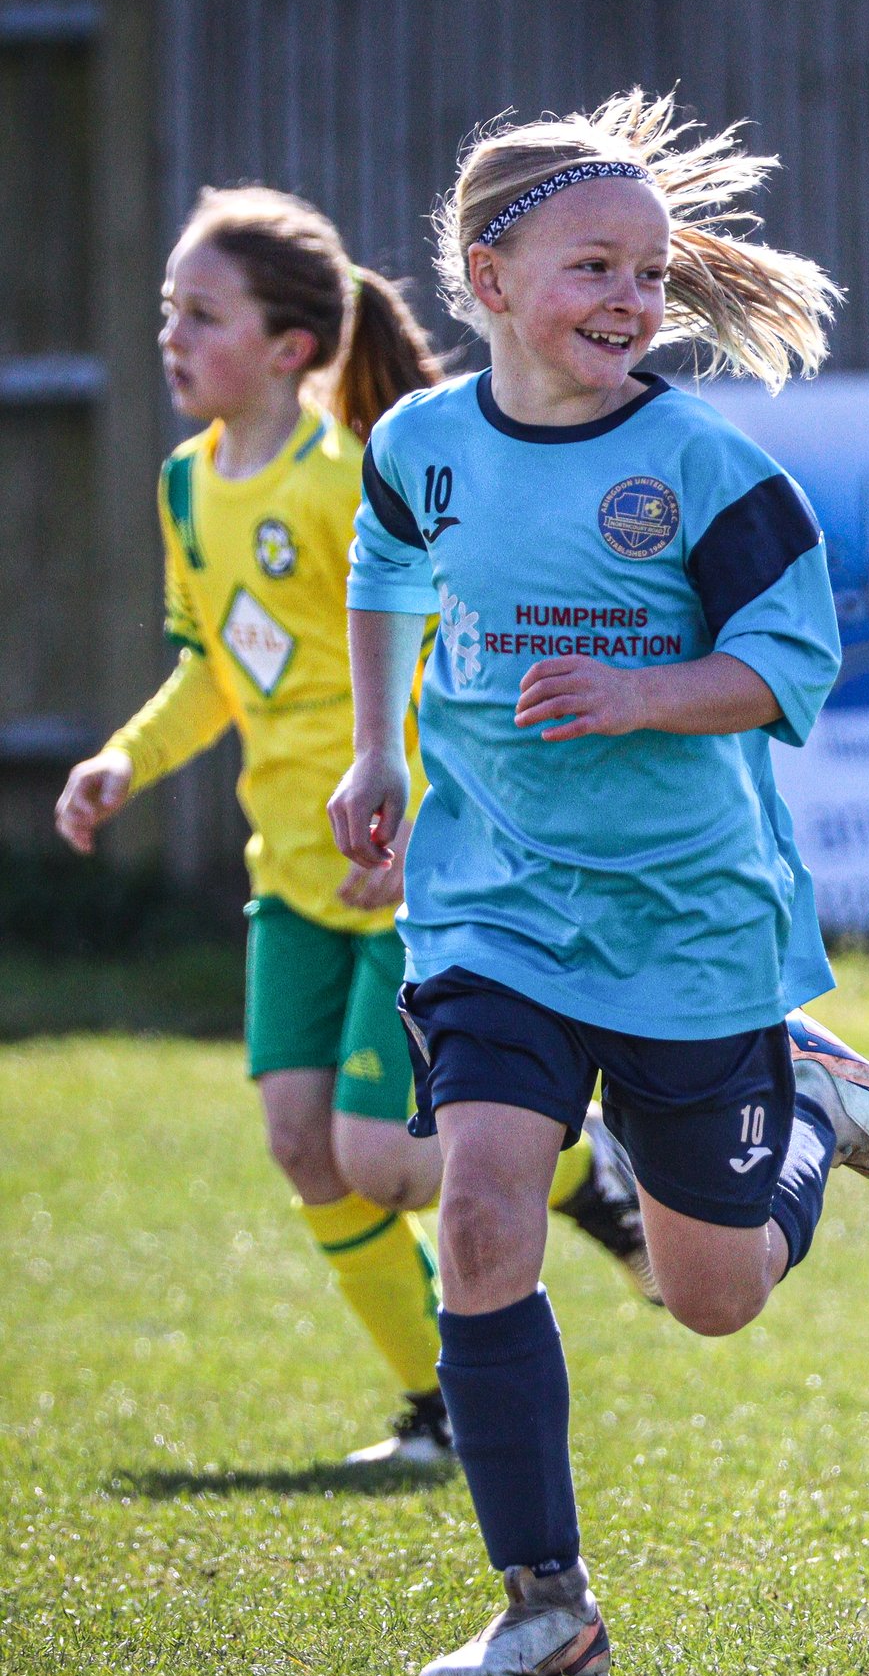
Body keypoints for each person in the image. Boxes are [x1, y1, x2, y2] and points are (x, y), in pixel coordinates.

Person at [333, 90, 869, 1676]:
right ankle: (546, 1604)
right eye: (595, 268)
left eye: (652, 276)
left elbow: (790, 664)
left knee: (715, 1299)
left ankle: (807, 1100)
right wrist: (377, 759)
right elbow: (384, 574)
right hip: (495, 909)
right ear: (486, 277)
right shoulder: (418, 446)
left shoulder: (702, 464)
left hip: (692, 923)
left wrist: (640, 693)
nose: (632, 303)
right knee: (480, 1211)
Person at [53, 186, 655, 1467]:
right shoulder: (181, 488)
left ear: (288, 348)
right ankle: (439, 1408)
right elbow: (217, 668)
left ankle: (572, 1164)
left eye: (200, 315)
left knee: (379, 1154)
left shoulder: (348, 482)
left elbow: (437, 651)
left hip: (399, 870)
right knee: (299, 1145)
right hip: (291, 878)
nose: (171, 336)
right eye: (168, 309)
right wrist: (123, 760)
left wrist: (432, 816)